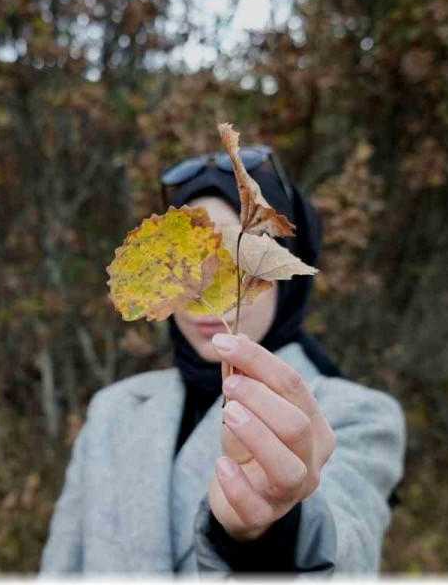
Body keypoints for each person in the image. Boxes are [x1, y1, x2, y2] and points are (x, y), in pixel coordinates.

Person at [39, 147, 406, 575]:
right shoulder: (112, 410)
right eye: (188, 260)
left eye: (237, 259)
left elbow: (348, 552)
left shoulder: (358, 415)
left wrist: (271, 532)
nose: (205, 293)